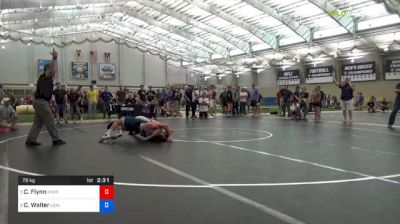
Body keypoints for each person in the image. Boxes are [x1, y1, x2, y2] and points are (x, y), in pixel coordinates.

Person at [25, 49, 66, 146]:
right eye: (52, 70)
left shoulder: (48, 79)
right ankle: (56, 139)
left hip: (40, 102)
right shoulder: (44, 76)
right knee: (50, 119)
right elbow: (51, 68)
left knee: (38, 122)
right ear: (48, 70)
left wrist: (49, 101)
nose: (54, 71)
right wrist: (54, 58)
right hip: (40, 102)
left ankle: (31, 140)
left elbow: (53, 69)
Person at [101, 116, 172, 142]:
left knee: (120, 122)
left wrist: (169, 135)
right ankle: (119, 132)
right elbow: (166, 128)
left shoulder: (156, 126)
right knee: (122, 124)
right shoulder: (157, 128)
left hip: (141, 124)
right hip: (142, 131)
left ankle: (108, 133)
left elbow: (166, 127)